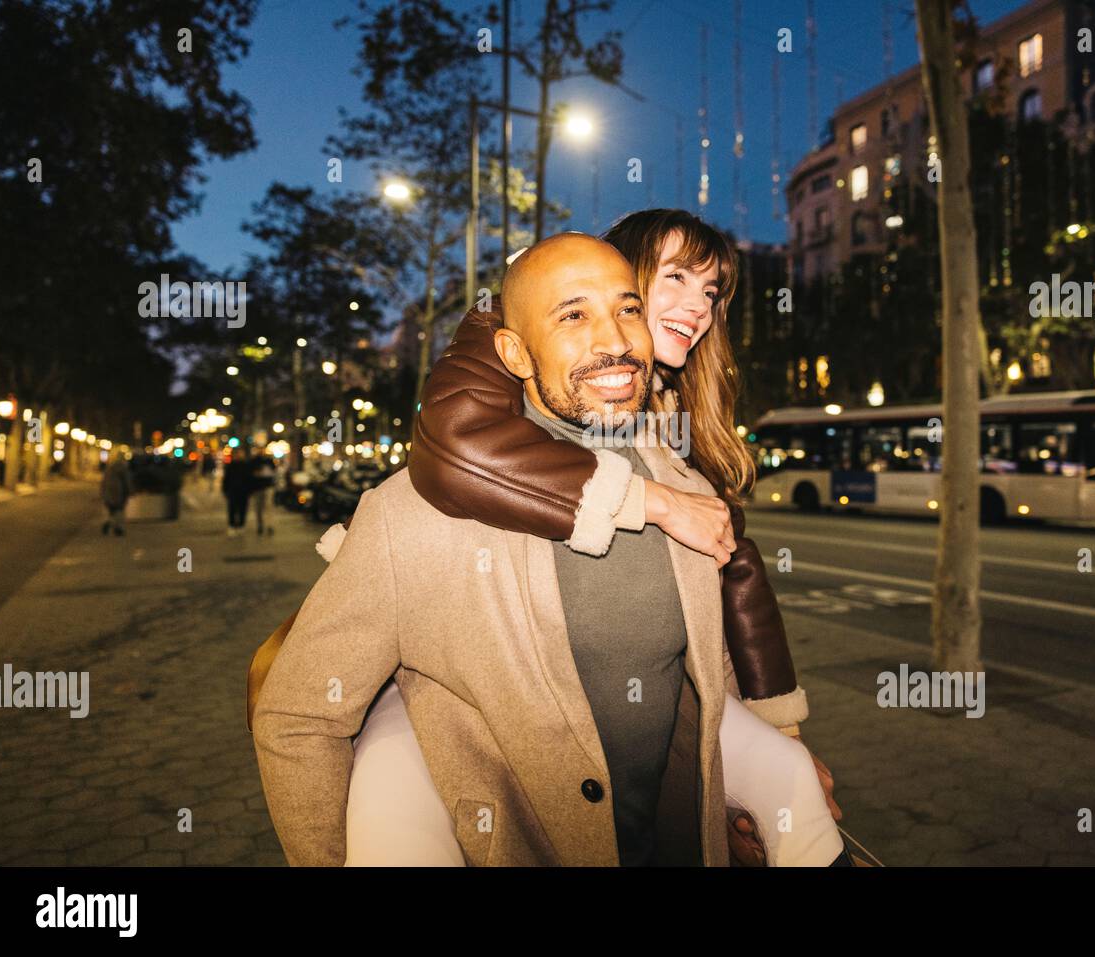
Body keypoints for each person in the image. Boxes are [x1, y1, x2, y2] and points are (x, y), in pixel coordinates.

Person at [252, 234, 845, 866]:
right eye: (573, 316)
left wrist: (766, 761)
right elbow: (301, 718)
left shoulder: (687, 487)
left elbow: (712, 654)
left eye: (627, 309)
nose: (614, 340)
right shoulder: (413, 511)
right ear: (512, 352)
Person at [222, 447, 251, 536]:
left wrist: (249, 490)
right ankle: (232, 525)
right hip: (233, 491)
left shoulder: (246, 465)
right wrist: (225, 490)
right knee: (232, 509)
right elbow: (226, 479)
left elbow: (250, 479)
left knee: (243, 509)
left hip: (244, 491)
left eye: (240, 453)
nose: (239, 455)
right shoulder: (230, 465)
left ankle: (241, 525)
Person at [100, 454, 131, 536]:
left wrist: (102, 493)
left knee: (112, 510)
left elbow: (103, 482)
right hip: (118, 492)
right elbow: (126, 481)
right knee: (119, 510)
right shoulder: (123, 469)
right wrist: (130, 491)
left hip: (108, 492)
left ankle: (109, 522)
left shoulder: (109, 468)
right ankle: (118, 528)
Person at [249, 450, 276, 536]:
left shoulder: (269, 460)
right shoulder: (254, 461)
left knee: (268, 506)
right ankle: (260, 525)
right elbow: (251, 474)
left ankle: (269, 525)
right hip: (258, 488)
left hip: (268, 487)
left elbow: (274, 470)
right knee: (258, 508)